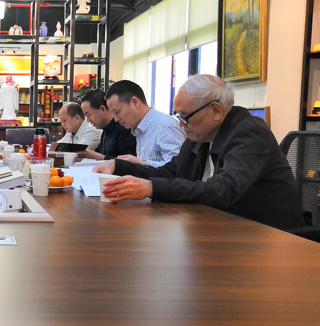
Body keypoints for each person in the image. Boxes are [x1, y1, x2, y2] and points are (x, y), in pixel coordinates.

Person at [94, 74, 304, 232]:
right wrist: (118, 166)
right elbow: (172, 172)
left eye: (184, 116)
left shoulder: (249, 133)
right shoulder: (200, 135)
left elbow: (223, 189)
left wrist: (150, 188)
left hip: (268, 236)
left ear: (215, 110)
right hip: (222, 227)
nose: (181, 124)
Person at [105, 79, 185, 167]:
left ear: (135, 102)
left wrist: (140, 163)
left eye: (117, 112)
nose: (116, 119)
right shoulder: (140, 127)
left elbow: (178, 168)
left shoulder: (166, 126)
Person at [79, 89, 136, 160]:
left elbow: (128, 162)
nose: (88, 120)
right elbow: (98, 153)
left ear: (102, 109)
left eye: (88, 115)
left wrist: (99, 157)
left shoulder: (124, 128)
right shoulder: (106, 130)